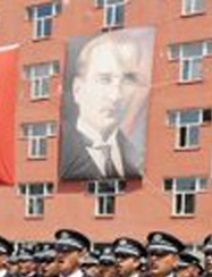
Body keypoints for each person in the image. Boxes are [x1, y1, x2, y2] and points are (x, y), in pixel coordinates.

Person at [60, 30, 150, 180]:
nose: (116, 96)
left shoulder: (134, 157)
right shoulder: (61, 149)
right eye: (104, 80)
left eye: (127, 80)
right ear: (78, 89)